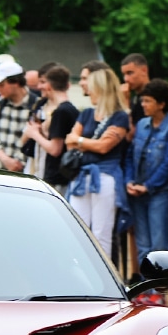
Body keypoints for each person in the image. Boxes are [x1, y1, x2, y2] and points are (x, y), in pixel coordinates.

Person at [124, 79, 168, 304]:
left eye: (148, 101)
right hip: (138, 193)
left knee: (159, 245)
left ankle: (159, 293)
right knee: (143, 245)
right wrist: (130, 181)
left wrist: (148, 186)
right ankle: (144, 289)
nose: (144, 105)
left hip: (160, 193)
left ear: (161, 103)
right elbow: (131, 156)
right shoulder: (141, 125)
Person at [64, 68, 131, 258]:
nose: (88, 91)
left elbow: (104, 147)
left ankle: (104, 282)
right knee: (77, 230)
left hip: (105, 176)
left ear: (101, 88)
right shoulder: (86, 114)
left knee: (101, 233)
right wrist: (89, 143)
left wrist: (81, 141)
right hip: (82, 176)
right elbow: (69, 142)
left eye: (92, 87)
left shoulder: (120, 116)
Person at [20, 64, 79, 192]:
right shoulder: (70, 109)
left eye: (42, 82)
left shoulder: (61, 111)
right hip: (57, 175)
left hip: (56, 177)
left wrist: (34, 133)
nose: (39, 86)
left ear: (49, 85)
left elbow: (55, 149)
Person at [0, 61, 38, 172]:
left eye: (2, 85)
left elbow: (34, 141)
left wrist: (18, 162)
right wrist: (6, 160)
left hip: (26, 172)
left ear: (16, 82)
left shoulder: (35, 105)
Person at [120, 53, 150, 125]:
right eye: (124, 75)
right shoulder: (134, 99)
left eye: (130, 73)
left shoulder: (155, 96)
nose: (126, 79)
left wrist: (125, 102)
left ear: (144, 70)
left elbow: (134, 133)